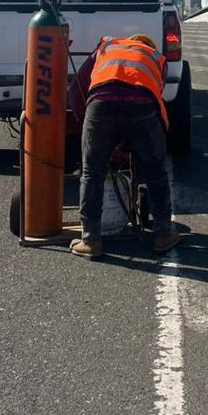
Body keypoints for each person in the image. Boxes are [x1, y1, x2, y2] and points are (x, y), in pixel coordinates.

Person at [68, 34, 177, 260]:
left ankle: (90, 240)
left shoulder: (106, 46)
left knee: (91, 173)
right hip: (141, 106)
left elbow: (75, 90)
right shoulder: (157, 58)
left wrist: (87, 127)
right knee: (156, 171)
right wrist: (132, 146)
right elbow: (154, 100)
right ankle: (163, 235)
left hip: (100, 104)